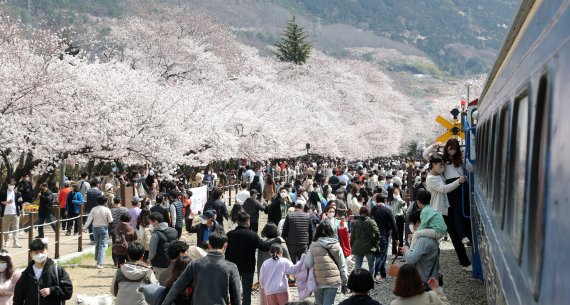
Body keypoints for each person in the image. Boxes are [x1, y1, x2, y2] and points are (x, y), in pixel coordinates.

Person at [161, 232, 242, 305]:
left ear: (209, 245)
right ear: (226, 245)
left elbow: (177, 287)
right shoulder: (231, 267)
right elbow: (236, 296)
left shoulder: (195, 264)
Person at [425, 156, 471, 271]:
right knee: (453, 236)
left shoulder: (439, 175)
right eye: (440, 165)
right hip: (441, 211)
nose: (442, 167)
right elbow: (444, 189)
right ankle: (465, 263)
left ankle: (465, 261)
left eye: (443, 165)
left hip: (447, 208)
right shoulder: (431, 178)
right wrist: (459, 181)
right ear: (433, 165)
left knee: (456, 234)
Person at [225, 212, 271, 305]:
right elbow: (264, 247)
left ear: (237, 221)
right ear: (248, 222)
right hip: (248, 268)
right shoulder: (252, 235)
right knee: (246, 294)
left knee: (233, 293)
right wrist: (276, 239)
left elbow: (225, 251)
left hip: (232, 268)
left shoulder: (230, 234)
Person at [13, 239, 73, 305]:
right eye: (36, 252)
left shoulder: (57, 270)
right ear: (31, 253)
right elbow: (18, 298)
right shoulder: (26, 274)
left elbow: (68, 292)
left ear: (47, 251)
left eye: (42, 251)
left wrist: (51, 290)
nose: (39, 254)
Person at [305, 223, 348, 305]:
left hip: (318, 280)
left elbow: (309, 264)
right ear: (331, 232)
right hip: (333, 281)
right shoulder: (337, 245)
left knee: (319, 303)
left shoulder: (313, 245)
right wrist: (345, 282)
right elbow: (342, 265)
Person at [399, 211, 440, 284]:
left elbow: (412, 259)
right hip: (431, 277)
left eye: (412, 223)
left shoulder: (423, 240)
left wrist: (406, 251)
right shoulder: (431, 235)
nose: (411, 226)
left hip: (423, 280)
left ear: (418, 223)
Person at [370, 194, 398, 281]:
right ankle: (377, 274)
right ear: (385, 201)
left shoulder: (372, 210)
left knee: (378, 254)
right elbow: (394, 225)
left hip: (373, 235)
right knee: (382, 255)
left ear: (377, 201)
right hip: (383, 234)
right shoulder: (387, 210)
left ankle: (382, 274)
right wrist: (397, 238)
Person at [83, 196, 113, 268]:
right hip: (104, 227)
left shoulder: (94, 209)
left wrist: (85, 227)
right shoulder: (107, 209)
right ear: (105, 202)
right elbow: (110, 220)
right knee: (102, 245)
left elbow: (89, 219)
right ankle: (99, 263)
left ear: (97, 202)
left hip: (95, 228)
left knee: (97, 244)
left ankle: (97, 259)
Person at [148, 212, 178, 280]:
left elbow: (152, 252)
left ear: (155, 222)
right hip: (172, 262)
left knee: (160, 282)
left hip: (159, 264)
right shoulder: (174, 230)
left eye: (151, 223)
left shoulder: (156, 234)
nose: (151, 225)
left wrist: (149, 260)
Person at [350, 207, 380, 272]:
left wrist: (352, 245)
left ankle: (357, 279)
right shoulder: (371, 222)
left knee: (357, 266)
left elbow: (352, 236)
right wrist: (376, 240)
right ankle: (370, 280)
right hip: (369, 247)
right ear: (368, 213)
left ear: (360, 213)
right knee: (371, 265)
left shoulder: (356, 223)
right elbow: (377, 232)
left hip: (358, 247)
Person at [0, 180, 23, 248]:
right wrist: (6, 202)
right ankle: (6, 241)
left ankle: (15, 242)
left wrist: (22, 210)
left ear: (14, 186)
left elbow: (20, 202)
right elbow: (0, 202)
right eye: (10, 185)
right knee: (5, 228)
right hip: (6, 213)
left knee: (16, 228)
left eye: (12, 185)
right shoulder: (3, 192)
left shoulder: (17, 193)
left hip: (15, 213)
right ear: (8, 185)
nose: (11, 186)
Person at [386, 186, 405, 255]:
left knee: (395, 235)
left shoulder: (389, 199)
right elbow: (401, 203)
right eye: (395, 191)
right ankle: (398, 252)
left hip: (394, 219)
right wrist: (398, 196)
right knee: (398, 235)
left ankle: (396, 251)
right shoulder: (394, 199)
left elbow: (402, 204)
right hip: (397, 218)